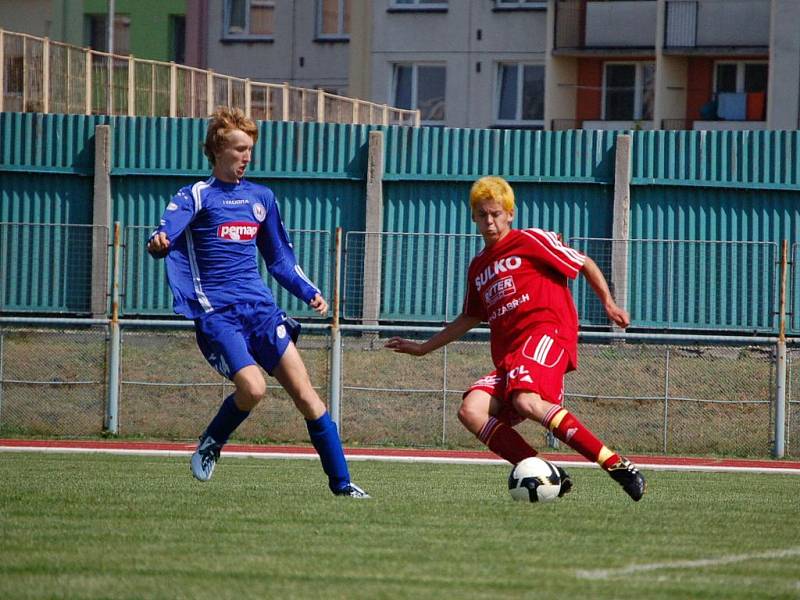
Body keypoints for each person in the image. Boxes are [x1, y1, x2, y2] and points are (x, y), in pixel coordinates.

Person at [147, 106, 369, 498]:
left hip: (262, 311)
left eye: (250, 149)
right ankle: (212, 441)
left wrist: (309, 291)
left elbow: (280, 259)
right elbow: (166, 233)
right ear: (217, 151)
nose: (246, 157)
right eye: (238, 149)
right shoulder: (196, 195)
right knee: (253, 388)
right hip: (219, 313)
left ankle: (343, 486)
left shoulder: (261, 197)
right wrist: (158, 243)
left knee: (307, 396)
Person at [386, 176, 646, 501]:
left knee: (526, 401)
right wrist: (424, 348)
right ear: (474, 217)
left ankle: (617, 466)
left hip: (548, 333)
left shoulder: (530, 240)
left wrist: (608, 302)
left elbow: (584, 262)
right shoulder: (479, 267)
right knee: (470, 410)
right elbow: (470, 316)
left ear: (510, 213)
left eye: (496, 213)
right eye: (483, 215)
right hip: (512, 356)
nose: (490, 221)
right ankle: (542, 470)